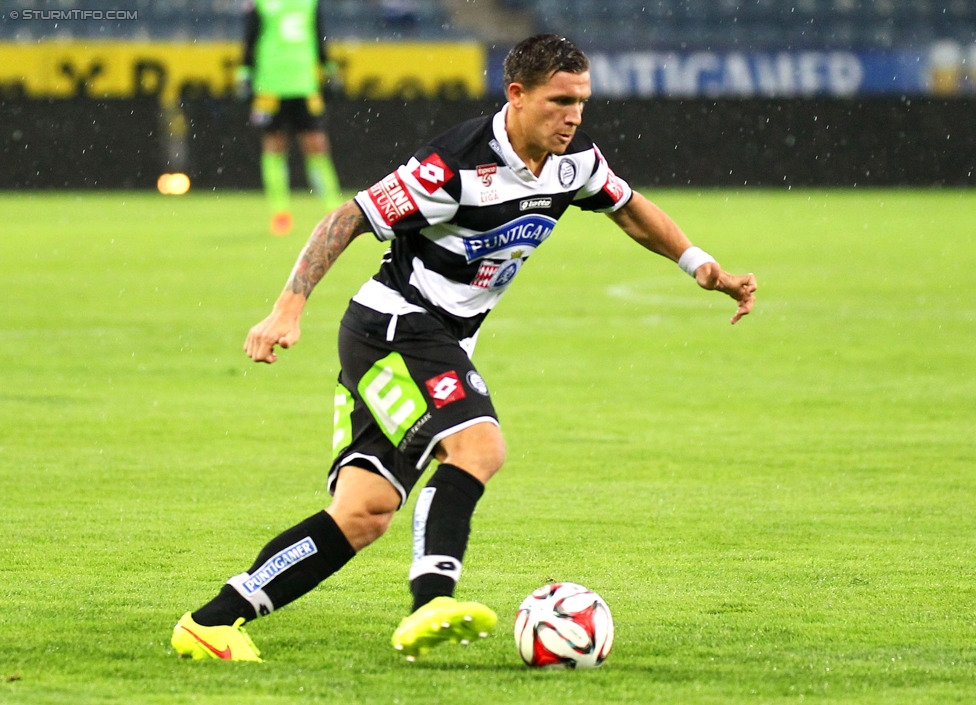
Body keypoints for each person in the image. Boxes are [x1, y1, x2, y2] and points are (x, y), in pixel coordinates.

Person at [172, 34, 757, 663]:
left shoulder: (575, 160)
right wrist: (289, 307)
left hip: (432, 338)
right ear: (517, 95)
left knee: (362, 513)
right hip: (397, 326)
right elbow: (346, 218)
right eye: (560, 101)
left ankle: (212, 621)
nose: (575, 116)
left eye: (582, 101)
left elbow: (627, 207)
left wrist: (700, 265)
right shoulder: (453, 165)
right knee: (479, 445)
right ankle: (431, 604)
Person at [236, 0, 343, 236]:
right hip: (271, 84)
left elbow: (318, 35)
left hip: (304, 83)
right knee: (275, 146)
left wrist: (329, 68)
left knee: (317, 145)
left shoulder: (310, 3)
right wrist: (244, 73)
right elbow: (250, 38)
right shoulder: (259, 3)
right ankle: (280, 212)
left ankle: (334, 210)